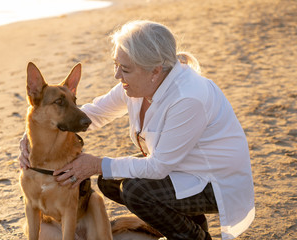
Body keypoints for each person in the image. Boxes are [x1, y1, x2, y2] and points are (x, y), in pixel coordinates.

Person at [19, 20, 255, 240]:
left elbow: (159, 166)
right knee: (110, 180)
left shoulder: (188, 98)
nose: (117, 75)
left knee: (135, 191)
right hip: (181, 169)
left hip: (213, 182)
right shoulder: (137, 84)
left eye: (125, 68)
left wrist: (96, 163)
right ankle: (194, 224)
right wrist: (31, 137)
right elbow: (93, 114)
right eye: (116, 65)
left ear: (154, 70)